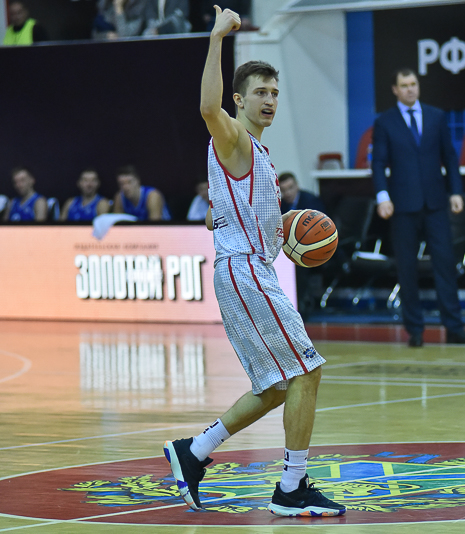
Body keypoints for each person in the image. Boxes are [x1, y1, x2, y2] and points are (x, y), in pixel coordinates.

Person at [162, 6, 345, 518]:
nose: (270, 100)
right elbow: (207, 107)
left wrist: (268, 227)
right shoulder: (235, 137)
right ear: (239, 100)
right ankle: (291, 487)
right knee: (308, 370)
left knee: (277, 386)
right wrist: (217, 38)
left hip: (248, 270)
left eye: (275, 93)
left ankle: (193, 452)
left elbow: (220, 211)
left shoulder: (258, 154)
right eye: (260, 92)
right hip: (244, 272)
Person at [371, 67, 465, 348]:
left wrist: (456, 192)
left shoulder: (436, 116)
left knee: (445, 265)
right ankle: (415, 331)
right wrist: (383, 197)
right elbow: (379, 163)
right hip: (402, 205)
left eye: (413, 84)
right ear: (395, 90)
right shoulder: (384, 122)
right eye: (404, 85)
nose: (410, 89)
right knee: (407, 269)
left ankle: (454, 328)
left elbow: (450, 157)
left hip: (435, 203)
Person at [278, 172, 326, 320]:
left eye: (290, 188)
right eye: (284, 190)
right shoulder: (281, 205)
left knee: (297, 260)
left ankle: (302, 303)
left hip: (316, 246)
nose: (288, 193)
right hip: (290, 247)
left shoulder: (310, 201)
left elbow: (321, 229)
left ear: (297, 186)